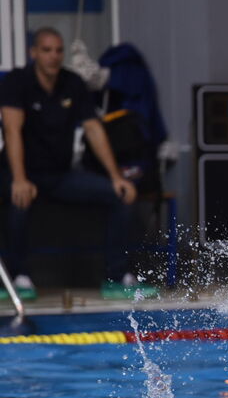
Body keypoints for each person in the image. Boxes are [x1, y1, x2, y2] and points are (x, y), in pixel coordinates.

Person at [0, 27, 154, 300]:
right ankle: (17, 277)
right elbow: (12, 131)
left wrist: (116, 177)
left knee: (119, 194)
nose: (53, 56)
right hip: (22, 172)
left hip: (60, 175)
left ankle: (116, 277)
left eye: (59, 50)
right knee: (17, 199)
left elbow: (94, 129)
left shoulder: (72, 83)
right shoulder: (17, 81)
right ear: (34, 53)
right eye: (47, 50)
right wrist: (20, 179)